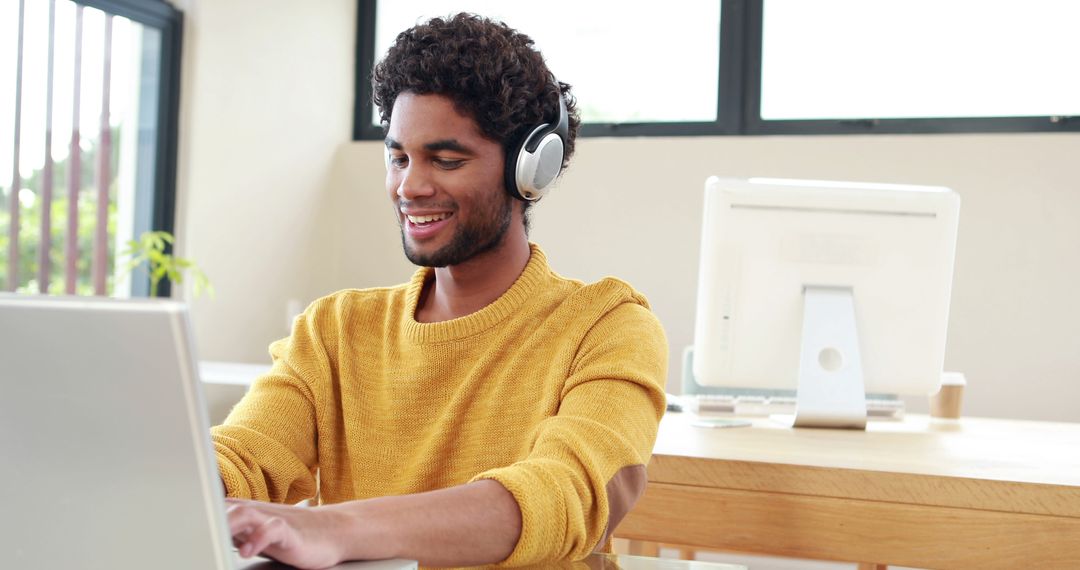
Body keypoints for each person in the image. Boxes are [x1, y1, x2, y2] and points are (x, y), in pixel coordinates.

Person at [213, 13, 668, 569]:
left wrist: (335, 526)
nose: (410, 186)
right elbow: (244, 456)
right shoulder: (334, 329)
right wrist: (176, 480)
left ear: (531, 170)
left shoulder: (606, 324)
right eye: (398, 157)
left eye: (446, 160)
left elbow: (568, 494)